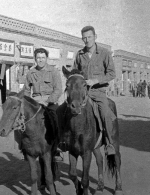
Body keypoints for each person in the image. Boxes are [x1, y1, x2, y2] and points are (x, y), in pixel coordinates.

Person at [73, 26, 117, 155]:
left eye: (89, 37)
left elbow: (112, 73)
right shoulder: (79, 54)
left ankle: (109, 143)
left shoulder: (104, 53)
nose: (87, 40)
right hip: (83, 93)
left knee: (105, 113)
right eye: (84, 38)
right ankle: (65, 141)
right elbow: (75, 72)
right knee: (67, 109)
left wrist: (95, 81)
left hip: (98, 93)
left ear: (95, 37)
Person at [23, 48, 63, 160]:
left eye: (43, 58)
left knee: (56, 119)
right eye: (38, 58)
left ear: (47, 58)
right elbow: (26, 90)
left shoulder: (53, 71)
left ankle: (57, 147)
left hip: (50, 102)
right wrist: (27, 103)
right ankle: (25, 148)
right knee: (22, 121)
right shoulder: (31, 72)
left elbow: (58, 89)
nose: (40, 60)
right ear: (35, 59)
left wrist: (47, 100)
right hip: (35, 101)